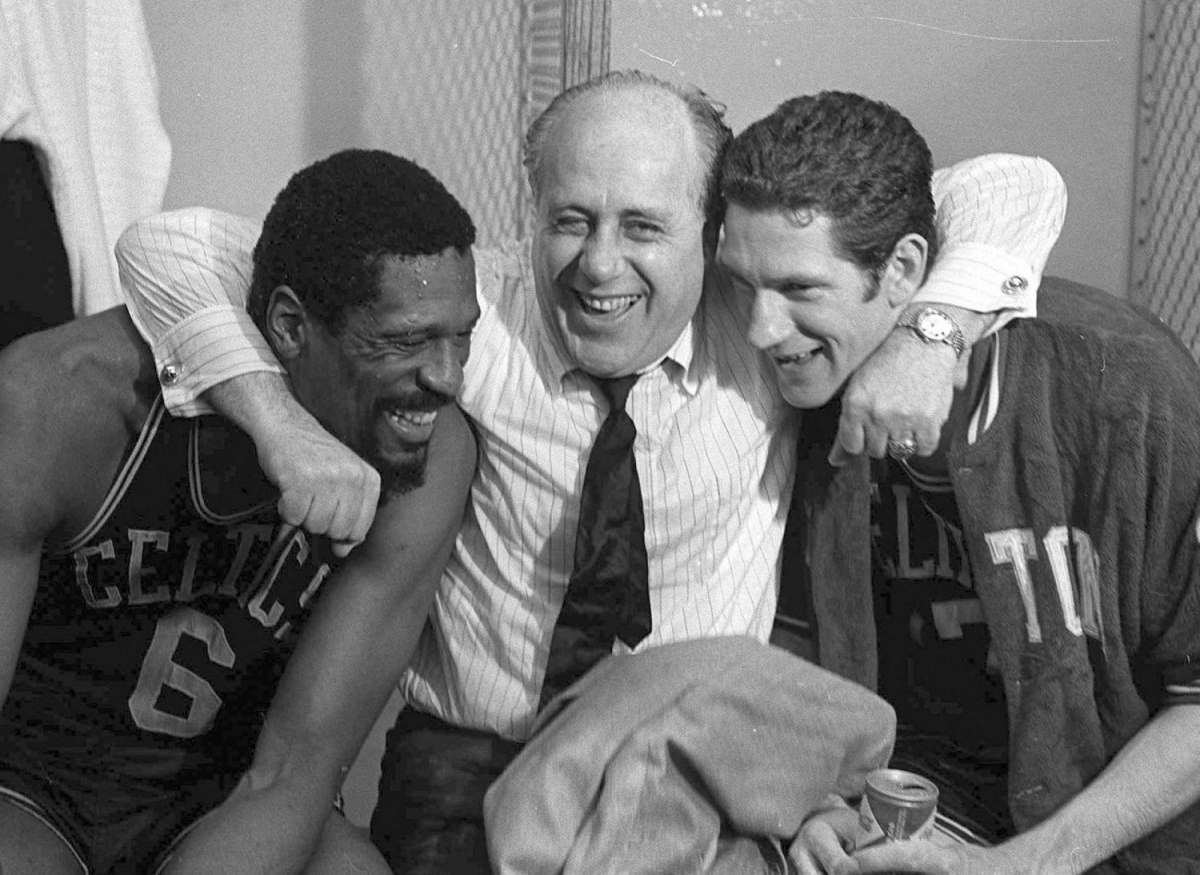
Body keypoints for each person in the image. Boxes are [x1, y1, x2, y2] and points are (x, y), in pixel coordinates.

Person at [118, 70, 1066, 872]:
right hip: (468, 767)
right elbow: (167, 246)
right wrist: (281, 426)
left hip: (697, 768)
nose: (598, 264)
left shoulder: (761, 327)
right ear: (531, 213)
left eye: (644, 227)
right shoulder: (474, 311)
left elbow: (1016, 185)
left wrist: (930, 337)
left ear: (709, 229)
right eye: (571, 218)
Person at [717, 90, 1200, 874]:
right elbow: (802, 648)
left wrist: (1021, 868)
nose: (759, 330)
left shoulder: (1127, 388)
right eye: (743, 284)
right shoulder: (799, 389)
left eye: (801, 290)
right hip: (906, 819)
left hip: (1099, 842)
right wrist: (812, 804)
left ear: (907, 267)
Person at [0, 148, 480, 875]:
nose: (445, 378)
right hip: (37, 789)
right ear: (289, 325)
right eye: (406, 341)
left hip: (224, 794)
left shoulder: (429, 457)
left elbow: (295, 772)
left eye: (462, 336)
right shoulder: (63, 403)